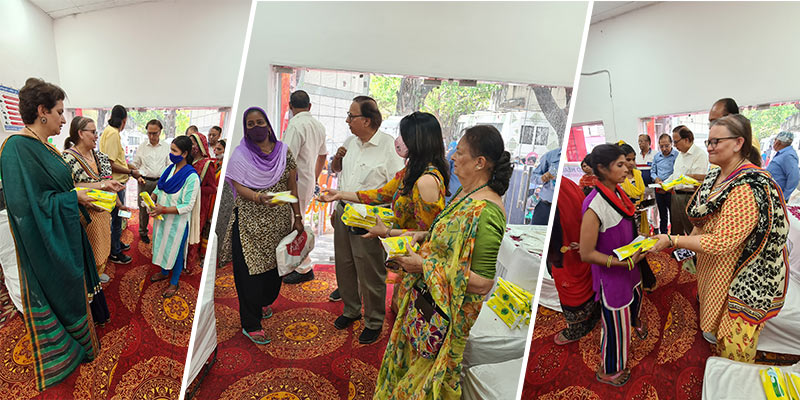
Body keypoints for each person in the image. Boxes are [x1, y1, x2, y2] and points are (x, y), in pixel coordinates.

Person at [374, 125, 510, 399]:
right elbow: (441, 236)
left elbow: (483, 283)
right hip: (429, 301)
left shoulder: (487, 212)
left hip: (449, 316)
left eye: (460, 153)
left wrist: (423, 266)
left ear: (480, 162)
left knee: (428, 382)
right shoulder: (466, 195)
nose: (452, 157)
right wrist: (401, 236)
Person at [649, 114, 789, 361]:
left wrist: (673, 241)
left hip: (736, 270)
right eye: (709, 142)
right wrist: (689, 242)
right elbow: (702, 216)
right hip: (711, 263)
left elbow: (722, 241)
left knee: (732, 342)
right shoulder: (716, 174)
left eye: (716, 141)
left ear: (738, 143)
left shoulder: (747, 186)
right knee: (712, 316)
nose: (710, 147)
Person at [0, 77, 107, 390]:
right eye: (60, 112)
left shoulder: (41, 146)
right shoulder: (16, 149)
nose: (64, 119)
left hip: (65, 226)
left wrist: (90, 190)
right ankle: (67, 346)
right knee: (63, 288)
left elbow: (57, 188)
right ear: (42, 111)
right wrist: (72, 198)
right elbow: (27, 206)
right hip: (47, 237)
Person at [319, 111, 449, 312]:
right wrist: (339, 194)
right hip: (405, 254)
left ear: (417, 140)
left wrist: (387, 233)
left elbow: (429, 235)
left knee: (412, 314)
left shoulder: (426, 181)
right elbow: (382, 194)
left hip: (418, 262)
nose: (399, 141)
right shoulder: (412, 170)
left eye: (404, 136)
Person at [220, 107, 303, 345]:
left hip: (277, 222)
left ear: (268, 124)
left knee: (273, 271)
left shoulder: (284, 153)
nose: (256, 127)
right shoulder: (240, 155)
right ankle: (251, 322)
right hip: (248, 223)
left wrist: (297, 217)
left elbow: (292, 187)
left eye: (260, 122)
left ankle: (263, 301)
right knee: (248, 275)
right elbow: (237, 185)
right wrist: (258, 197)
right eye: (250, 124)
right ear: (245, 129)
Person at [328, 96, 404, 344]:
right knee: (345, 264)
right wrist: (337, 161)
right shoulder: (351, 141)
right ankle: (351, 310)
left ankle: (373, 320)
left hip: (369, 217)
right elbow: (339, 173)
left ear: (367, 120)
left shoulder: (388, 147)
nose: (347, 121)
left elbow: (397, 188)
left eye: (352, 116)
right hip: (343, 209)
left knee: (370, 270)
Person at [579, 144, 647, 387]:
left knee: (635, 300)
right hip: (613, 272)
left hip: (628, 264)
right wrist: (616, 262)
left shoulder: (618, 192)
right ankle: (610, 371)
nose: (627, 168)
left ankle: (635, 324)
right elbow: (586, 253)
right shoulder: (594, 205)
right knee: (615, 325)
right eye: (620, 164)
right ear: (602, 169)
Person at [63, 116, 131, 284]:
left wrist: (120, 205)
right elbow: (69, 188)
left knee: (102, 248)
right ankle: (88, 280)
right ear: (80, 133)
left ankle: (96, 274)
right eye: (93, 132)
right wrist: (101, 185)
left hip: (102, 212)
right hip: (84, 215)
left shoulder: (99, 156)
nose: (96, 136)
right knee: (87, 250)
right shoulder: (67, 159)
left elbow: (108, 183)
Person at [281, 90, 328, 284]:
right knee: (296, 221)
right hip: (307, 182)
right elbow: (323, 155)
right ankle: (297, 264)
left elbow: (286, 158)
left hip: (294, 183)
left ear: (290, 107)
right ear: (310, 106)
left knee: (294, 223)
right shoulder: (318, 125)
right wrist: (315, 178)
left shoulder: (295, 124)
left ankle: (303, 267)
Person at [147, 135, 200, 297]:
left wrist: (163, 209)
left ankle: (174, 282)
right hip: (162, 218)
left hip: (177, 223)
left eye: (174, 150)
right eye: (170, 149)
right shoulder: (169, 169)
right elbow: (160, 188)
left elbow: (187, 205)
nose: (170, 153)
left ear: (184, 154)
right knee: (162, 245)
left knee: (176, 251)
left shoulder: (191, 177)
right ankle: (164, 271)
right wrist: (151, 199)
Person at [549, 178, 599, 345]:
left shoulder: (562, 187)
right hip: (579, 245)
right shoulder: (568, 184)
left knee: (568, 279)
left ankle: (577, 328)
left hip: (568, 252)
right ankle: (593, 315)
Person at [99, 104, 140, 265]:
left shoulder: (110, 132)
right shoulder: (113, 134)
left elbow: (117, 160)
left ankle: (117, 243)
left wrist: (129, 167)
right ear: (124, 120)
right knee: (117, 218)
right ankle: (115, 252)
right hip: (115, 183)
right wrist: (131, 172)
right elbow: (110, 163)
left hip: (117, 181)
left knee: (119, 217)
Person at [619, 142, 656, 290]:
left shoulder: (637, 174)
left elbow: (641, 194)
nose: (632, 163)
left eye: (633, 159)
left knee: (641, 245)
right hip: (626, 219)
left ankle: (643, 278)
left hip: (640, 216)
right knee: (632, 248)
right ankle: (641, 279)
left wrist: (642, 206)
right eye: (628, 160)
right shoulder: (619, 180)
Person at [661, 125, 708, 236]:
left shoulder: (699, 154)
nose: (675, 145)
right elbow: (676, 175)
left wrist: (682, 180)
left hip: (690, 197)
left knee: (691, 230)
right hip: (676, 196)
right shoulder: (680, 155)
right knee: (676, 230)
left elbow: (697, 179)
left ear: (686, 139)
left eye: (676, 142)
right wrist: (664, 184)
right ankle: (677, 252)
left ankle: (694, 253)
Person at [131, 119, 170, 244]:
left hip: (161, 183)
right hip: (145, 183)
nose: (152, 136)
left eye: (155, 133)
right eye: (149, 133)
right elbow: (134, 165)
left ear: (160, 132)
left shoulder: (166, 147)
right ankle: (143, 232)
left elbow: (170, 166)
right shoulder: (142, 147)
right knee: (143, 210)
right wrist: (137, 177)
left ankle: (159, 233)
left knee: (161, 208)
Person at [188, 131, 218, 265]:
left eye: (192, 144)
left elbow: (213, 188)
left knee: (194, 233)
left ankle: (190, 263)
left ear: (199, 145)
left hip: (200, 205)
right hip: (188, 202)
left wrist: (195, 189)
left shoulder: (207, 164)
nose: (190, 147)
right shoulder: (189, 161)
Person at [650, 134, 678, 234]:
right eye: (661, 146)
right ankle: (664, 235)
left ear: (671, 144)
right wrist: (656, 178)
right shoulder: (657, 156)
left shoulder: (677, 155)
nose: (664, 148)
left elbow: (677, 172)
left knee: (674, 214)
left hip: (671, 189)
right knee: (662, 214)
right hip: (659, 189)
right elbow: (653, 171)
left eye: (667, 145)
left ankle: (674, 236)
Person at [530, 147, 560, 225]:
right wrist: (543, 178)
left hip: (563, 209)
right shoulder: (551, 156)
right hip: (546, 207)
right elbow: (533, 177)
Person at [766, 131, 799, 200]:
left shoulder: (788, 156)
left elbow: (794, 178)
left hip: (777, 197)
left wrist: (783, 197)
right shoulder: (783, 154)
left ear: (778, 142)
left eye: (775, 140)